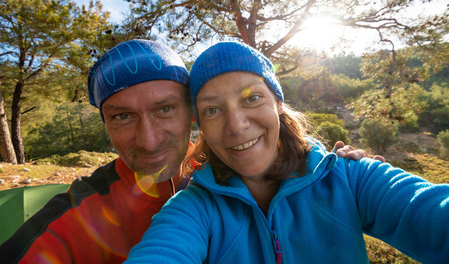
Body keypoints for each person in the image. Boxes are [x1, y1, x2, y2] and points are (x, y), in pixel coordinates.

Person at [0, 39, 371, 263]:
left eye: (165, 109)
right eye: (123, 117)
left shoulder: (227, 168)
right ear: (106, 124)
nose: (148, 141)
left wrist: (333, 170)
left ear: (193, 114)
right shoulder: (77, 216)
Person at [125, 41, 449, 264]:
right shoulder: (194, 208)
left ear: (278, 104)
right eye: (213, 110)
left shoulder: (349, 177)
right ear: (201, 126)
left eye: (252, 98)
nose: (236, 125)